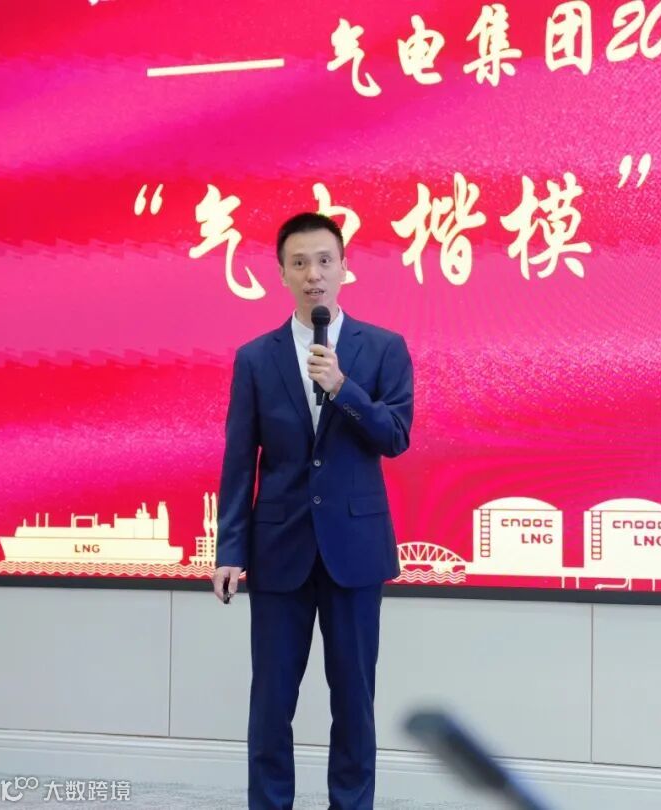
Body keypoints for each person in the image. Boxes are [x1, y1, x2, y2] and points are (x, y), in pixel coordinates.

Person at [211, 212, 413, 809]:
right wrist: (229, 549)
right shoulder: (256, 358)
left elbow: (396, 436)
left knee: (353, 701)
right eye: (299, 263)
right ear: (282, 274)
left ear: (345, 268)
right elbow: (239, 459)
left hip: (355, 552)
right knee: (271, 703)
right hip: (279, 550)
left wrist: (344, 388)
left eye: (325, 261)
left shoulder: (384, 349)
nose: (313, 275)